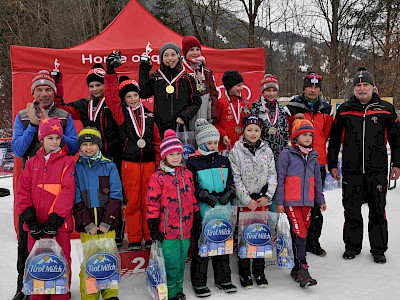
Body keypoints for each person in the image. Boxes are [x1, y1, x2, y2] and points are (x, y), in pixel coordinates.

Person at [11, 70, 78, 300]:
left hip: (56, 181)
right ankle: (23, 287)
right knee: (26, 241)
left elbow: (74, 146)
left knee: (58, 246)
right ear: (32, 93)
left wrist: (52, 130)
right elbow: (18, 150)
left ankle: (59, 288)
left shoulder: (64, 116)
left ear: (54, 92)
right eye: (39, 89)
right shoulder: (22, 115)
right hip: (31, 185)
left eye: (48, 89)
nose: (43, 93)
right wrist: (32, 125)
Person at [328, 67, 400, 264]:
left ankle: (378, 249)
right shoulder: (344, 110)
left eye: (365, 85)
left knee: (378, 209)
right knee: (351, 209)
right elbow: (334, 140)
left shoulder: (386, 109)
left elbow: (396, 139)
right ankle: (352, 246)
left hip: (377, 170)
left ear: (373, 87)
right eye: (358, 85)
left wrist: (397, 164)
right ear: (353, 89)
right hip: (351, 170)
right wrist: (332, 164)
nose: (361, 89)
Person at [104, 72, 162, 251]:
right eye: (128, 96)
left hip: (149, 164)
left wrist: (160, 164)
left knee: (149, 201)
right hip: (130, 164)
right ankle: (135, 238)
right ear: (124, 99)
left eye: (135, 95)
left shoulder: (150, 116)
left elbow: (157, 141)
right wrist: (110, 74)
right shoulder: (121, 114)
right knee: (133, 202)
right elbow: (111, 98)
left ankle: (150, 235)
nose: (133, 98)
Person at [146, 130, 200, 300]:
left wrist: (196, 216)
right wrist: (153, 225)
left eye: (178, 153)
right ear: (164, 156)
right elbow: (152, 203)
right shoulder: (157, 177)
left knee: (181, 261)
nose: (176, 157)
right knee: (170, 263)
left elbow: (192, 198)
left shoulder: (188, 175)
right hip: (167, 231)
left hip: (185, 229)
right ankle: (169, 292)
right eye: (171, 154)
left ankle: (178, 288)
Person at [284, 71, 332, 257]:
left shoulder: (326, 109)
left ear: (320, 89)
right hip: (296, 165)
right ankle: (295, 241)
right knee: (296, 205)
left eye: (316, 87)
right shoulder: (292, 107)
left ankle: (313, 241)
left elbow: (325, 135)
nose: (313, 90)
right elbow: (287, 132)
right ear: (304, 88)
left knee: (315, 205)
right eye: (309, 86)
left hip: (316, 163)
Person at [186, 118, 237, 297]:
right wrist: (204, 196)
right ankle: (199, 282)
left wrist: (229, 193)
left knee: (222, 245)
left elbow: (231, 179)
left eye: (216, 142)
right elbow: (192, 185)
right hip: (204, 209)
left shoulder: (223, 159)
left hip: (223, 209)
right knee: (203, 247)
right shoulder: (193, 162)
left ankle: (223, 279)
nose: (214, 145)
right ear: (201, 143)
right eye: (210, 143)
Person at [275, 117, 327, 287]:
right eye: (303, 135)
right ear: (295, 137)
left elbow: (317, 181)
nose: (307, 138)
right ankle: (303, 268)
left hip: (308, 203)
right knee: (301, 233)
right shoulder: (286, 154)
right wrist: (280, 202)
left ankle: (296, 268)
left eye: (310, 135)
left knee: (301, 233)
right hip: (291, 202)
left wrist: (320, 200)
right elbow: (280, 179)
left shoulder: (313, 156)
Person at [73, 127, 123, 299]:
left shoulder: (108, 166)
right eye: (85, 144)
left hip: (106, 225)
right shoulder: (77, 168)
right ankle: (90, 293)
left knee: (108, 259)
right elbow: (76, 198)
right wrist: (87, 223)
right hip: (88, 227)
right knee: (90, 261)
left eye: (92, 144)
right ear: (80, 147)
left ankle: (110, 293)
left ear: (99, 145)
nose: (88, 148)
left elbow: (116, 196)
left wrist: (107, 221)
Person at [229, 116, 277, 289]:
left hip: (262, 200)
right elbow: (235, 178)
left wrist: (268, 195)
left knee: (260, 236)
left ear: (261, 132)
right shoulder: (236, 151)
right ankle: (244, 271)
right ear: (243, 131)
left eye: (256, 130)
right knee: (245, 237)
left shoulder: (267, 150)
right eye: (249, 130)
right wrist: (246, 199)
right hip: (246, 203)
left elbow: (273, 174)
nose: (253, 133)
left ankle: (259, 270)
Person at [139, 42, 202, 137]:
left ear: (178, 57)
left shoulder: (187, 78)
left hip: (180, 125)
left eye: (173, 55)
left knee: (179, 151)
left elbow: (196, 101)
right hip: (160, 126)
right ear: (161, 59)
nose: (170, 58)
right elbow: (144, 93)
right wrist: (144, 69)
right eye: (166, 55)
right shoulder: (156, 77)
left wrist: (184, 115)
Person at [181, 36, 218, 129]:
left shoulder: (207, 72)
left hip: (205, 118)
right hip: (186, 120)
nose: (195, 53)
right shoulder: (180, 72)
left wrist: (212, 117)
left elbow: (213, 95)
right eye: (191, 50)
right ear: (185, 53)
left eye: (198, 49)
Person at [251, 74, 289, 161]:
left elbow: (285, 130)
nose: (271, 94)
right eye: (268, 90)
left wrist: (285, 149)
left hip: (279, 153)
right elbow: (252, 129)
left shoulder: (280, 108)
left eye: (274, 91)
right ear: (262, 91)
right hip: (261, 153)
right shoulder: (256, 107)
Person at [214, 70, 251, 151]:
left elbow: (248, 122)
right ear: (230, 86)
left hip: (242, 145)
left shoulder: (244, 102)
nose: (241, 88)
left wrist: (247, 117)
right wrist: (223, 135)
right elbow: (215, 123)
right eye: (238, 85)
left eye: (242, 85)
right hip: (226, 144)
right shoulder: (221, 102)